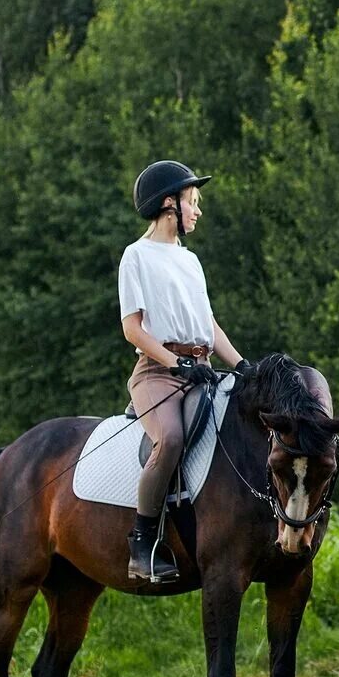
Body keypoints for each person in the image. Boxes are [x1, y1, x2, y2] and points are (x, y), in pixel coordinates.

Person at [117, 160, 249, 583]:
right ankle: (142, 545)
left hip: (201, 368)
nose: (198, 211)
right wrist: (177, 363)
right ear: (169, 203)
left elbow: (209, 325)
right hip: (157, 372)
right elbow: (132, 329)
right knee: (171, 438)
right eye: (193, 202)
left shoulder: (190, 261)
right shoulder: (135, 257)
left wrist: (243, 365)